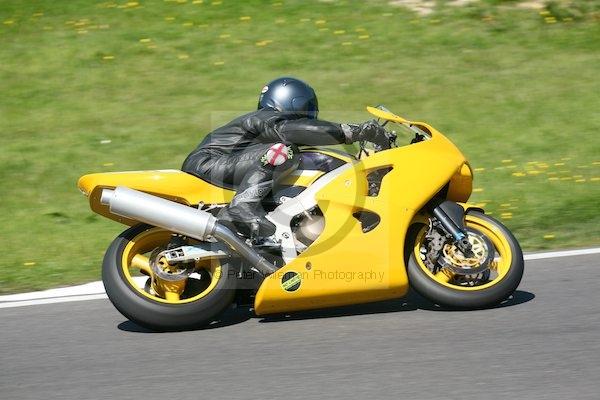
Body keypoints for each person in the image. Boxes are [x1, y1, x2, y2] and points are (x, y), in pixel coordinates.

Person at [182, 77, 388, 237]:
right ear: (295, 101)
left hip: (219, 165)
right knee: (284, 151)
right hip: (208, 163)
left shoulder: (266, 126)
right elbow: (296, 130)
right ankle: (242, 207)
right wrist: (355, 131)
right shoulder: (267, 118)